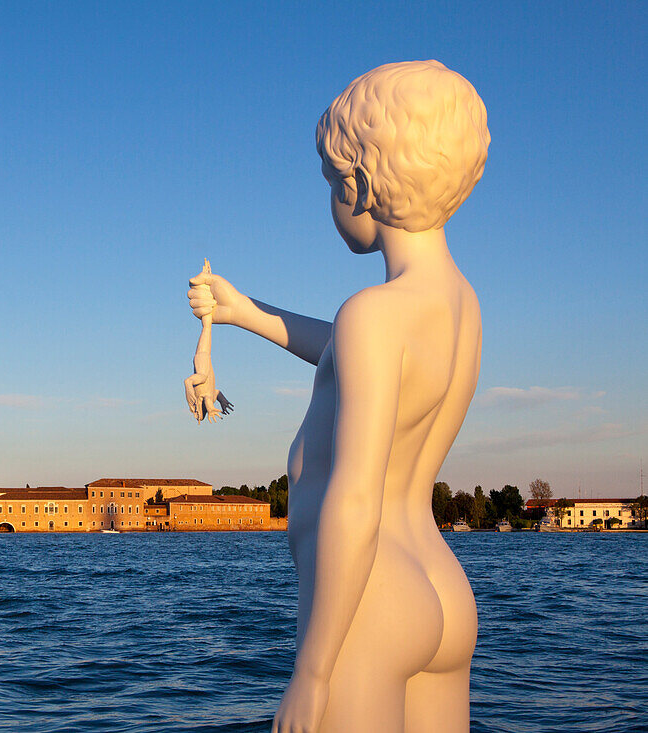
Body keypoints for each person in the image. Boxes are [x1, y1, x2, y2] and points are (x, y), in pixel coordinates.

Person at [187, 60, 490, 733]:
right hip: (441, 584)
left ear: (363, 184)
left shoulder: (373, 314)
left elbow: (355, 498)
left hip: (370, 602)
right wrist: (244, 311)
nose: (333, 199)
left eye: (332, 182)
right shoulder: (459, 306)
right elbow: (349, 349)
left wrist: (313, 670)